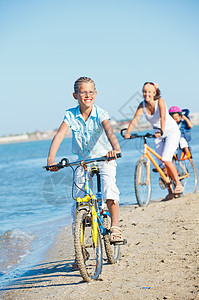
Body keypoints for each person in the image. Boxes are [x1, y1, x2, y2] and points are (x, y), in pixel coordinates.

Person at [47, 76, 123, 243]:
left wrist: (115, 150)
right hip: (83, 161)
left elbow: (110, 132)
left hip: (105, 158)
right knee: (78, 202)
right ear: (75, 95)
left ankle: (116, 228)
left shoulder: (100, 113)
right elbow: (59, 135)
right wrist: (51, 160)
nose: (87, 95)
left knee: (109, 188)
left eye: (91, 92)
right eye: (83, 92)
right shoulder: (70, 115)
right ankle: (80, 245)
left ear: (95, 94)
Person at [124, 82, 184, 201]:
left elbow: (163, 117)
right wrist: (128, 132)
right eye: (144, 92)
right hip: (158, 134)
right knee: (161, 164)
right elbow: (135, 119)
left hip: (171, 132)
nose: (146, 94)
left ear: (154, 93)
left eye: (149, 92)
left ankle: (178, 184)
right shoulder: (142, 105)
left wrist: (161, 130)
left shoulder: (160, 101)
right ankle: (170, 192)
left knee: (166, 158)